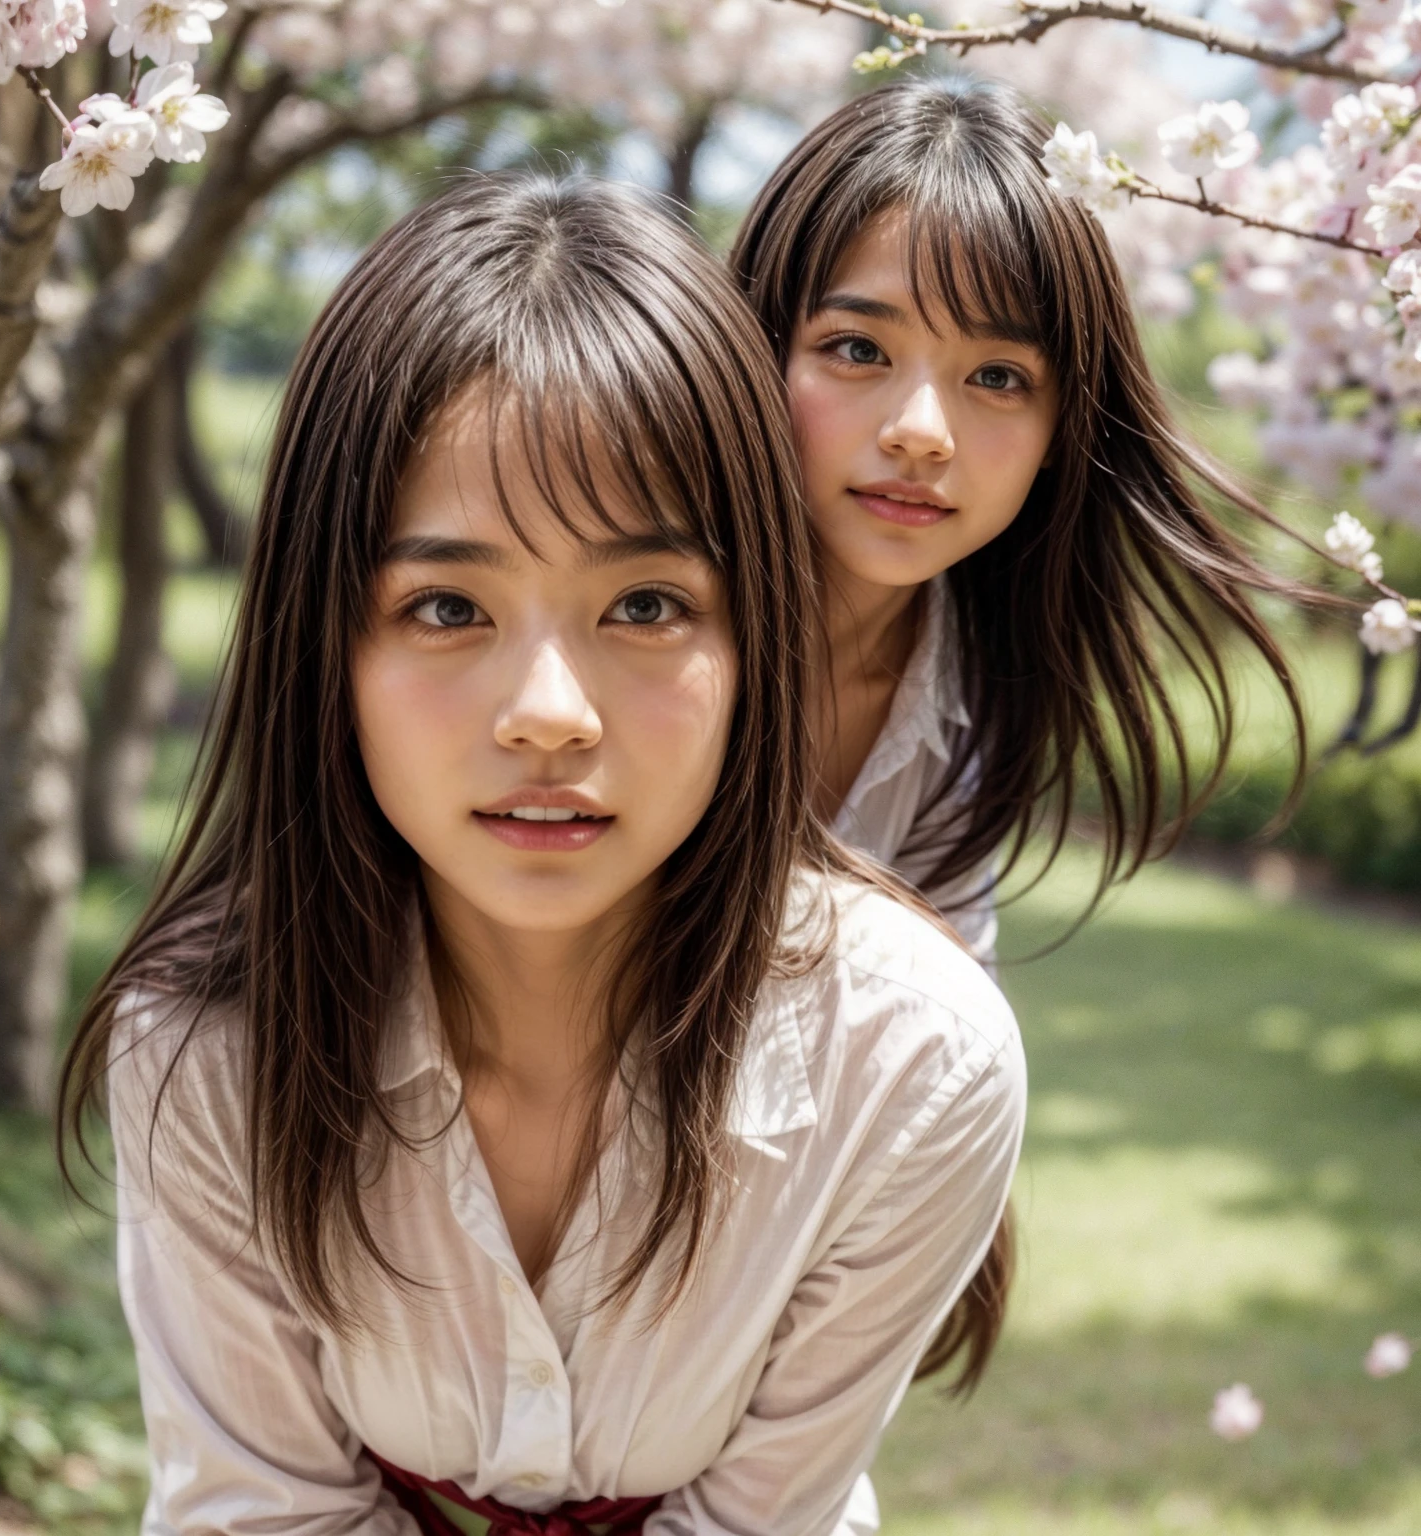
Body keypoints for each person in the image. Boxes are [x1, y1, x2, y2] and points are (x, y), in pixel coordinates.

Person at [60, 177, 1025, 1536]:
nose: (551, 717)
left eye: (646, 604)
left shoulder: (915, 1065)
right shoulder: (203, 1046)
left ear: (760, 640)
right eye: (447, 605)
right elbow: (258, 1513)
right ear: (321, 640)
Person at [730, 77, 1312, 963]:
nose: (921, 434)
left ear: (1060, 429)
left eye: (998, 377)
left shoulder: (971, 689)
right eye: (857, 349)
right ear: (756, 347)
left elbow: (940, 1050)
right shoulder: (622, 626)